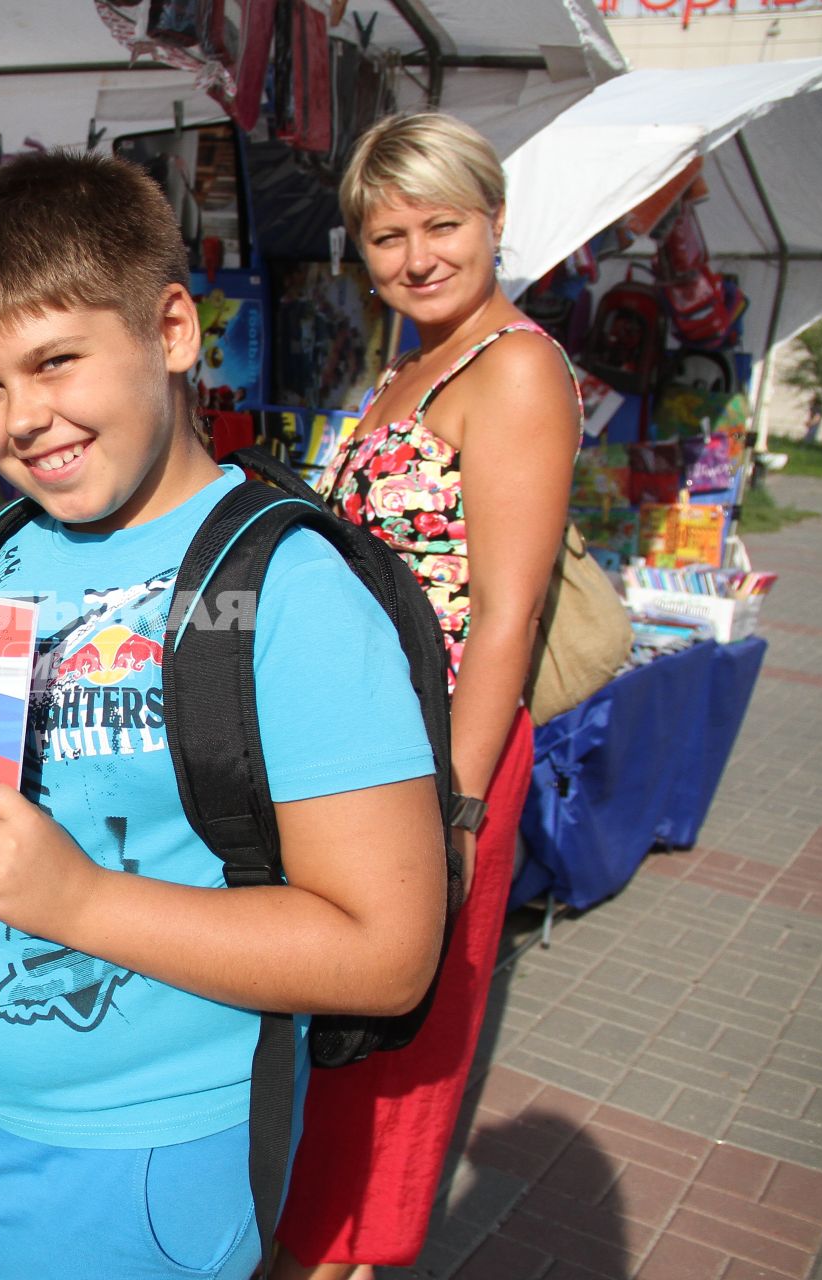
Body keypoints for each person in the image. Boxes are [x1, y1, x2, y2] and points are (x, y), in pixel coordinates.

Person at [0, 152, 448, 1280]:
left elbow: (385, 955)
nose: (22, 419)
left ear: (173, 330)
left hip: (133, 1150)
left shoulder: (291, 590)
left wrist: (77, 900)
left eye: (56, 361)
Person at [273, 113, 582, 1280]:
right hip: (371, 746)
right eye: (386, 233)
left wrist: (453, 805)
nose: (416, 255)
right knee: (344, 1031)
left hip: (441, 755)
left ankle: (342, 1258)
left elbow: (507, 609)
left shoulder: (512, 366)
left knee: (393, 1047)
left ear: (495, 219)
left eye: (442, 224)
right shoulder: (415, 361)